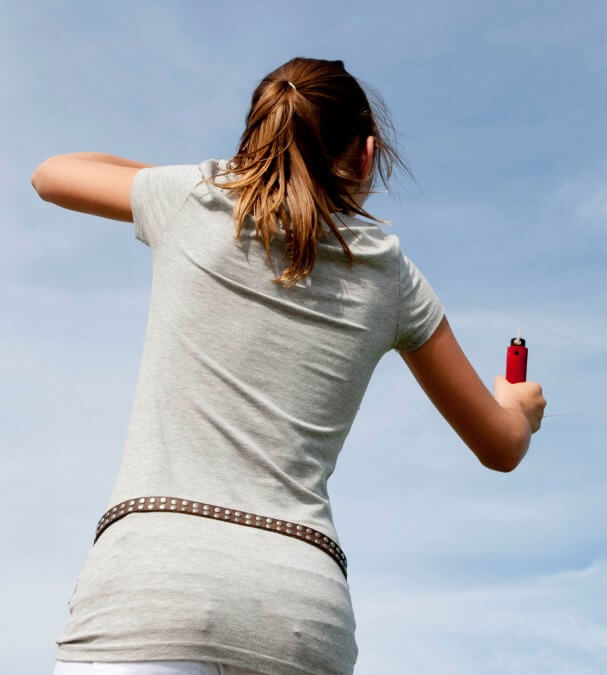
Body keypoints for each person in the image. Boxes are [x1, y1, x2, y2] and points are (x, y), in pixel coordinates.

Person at [32, 57, 546, 675]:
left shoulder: (191, 200)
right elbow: (499, 445)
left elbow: (52, 175)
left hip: (151, 589)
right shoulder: (392, 277)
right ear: (366, 156)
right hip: (300, 611)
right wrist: (519, 407)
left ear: (255, 144)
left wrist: (229, 183)